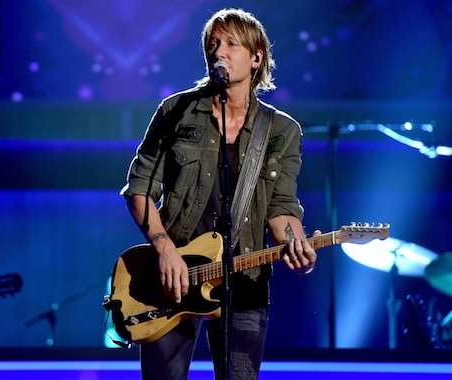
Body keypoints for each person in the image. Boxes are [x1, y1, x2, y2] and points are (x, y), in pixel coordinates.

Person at [120, 8, 320, 379]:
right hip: (174, 278)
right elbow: (140, 188)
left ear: (256, 56)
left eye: (231, 44)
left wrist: (297, 244)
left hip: (244, 278)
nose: (219, 52)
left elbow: (281, 209)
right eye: (213, 44)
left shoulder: (281, 130)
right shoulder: (176, 111)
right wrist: (164, 250)